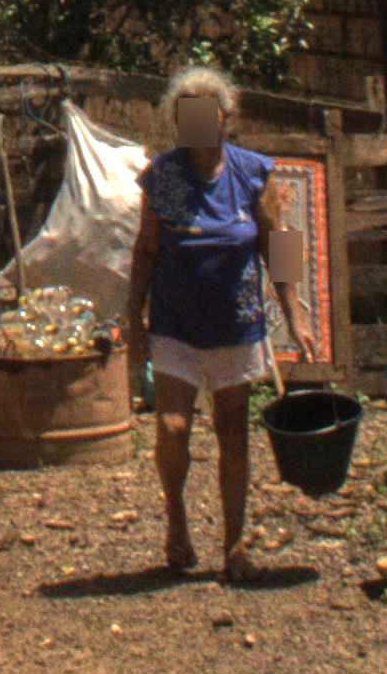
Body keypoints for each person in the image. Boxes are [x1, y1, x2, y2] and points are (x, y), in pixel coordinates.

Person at [121, 65, 306, 582]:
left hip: (235, 324)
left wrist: (295, 313)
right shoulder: (163, 176)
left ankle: (234, 542)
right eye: (187, 116)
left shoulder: (252, 173)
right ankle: (177, 520)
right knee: (172, 427)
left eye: (206, 114)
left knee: (232, 432)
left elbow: (280, 243)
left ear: (224, 117)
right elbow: (146, 248)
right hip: (175, 322)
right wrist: (133, 314)